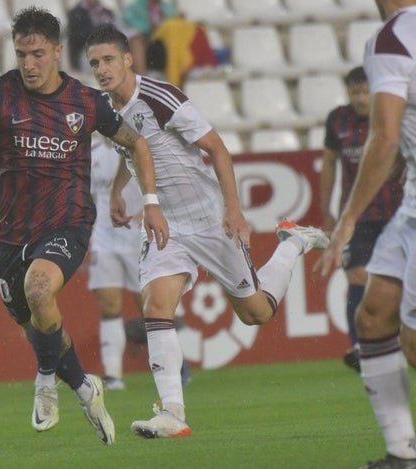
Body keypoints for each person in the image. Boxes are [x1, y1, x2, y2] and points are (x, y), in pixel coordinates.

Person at [85, 24, 329, 439]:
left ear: (128, 59)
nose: (102, 70)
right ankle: (173, 413)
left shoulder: (160, 96)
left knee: (256, 313)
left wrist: (233, 208)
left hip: (207, 216)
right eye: (94, 64)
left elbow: (216, 146)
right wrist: (117, 192)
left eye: (109, 60)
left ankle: (292, 244)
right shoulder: (106, 111)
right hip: (163, 222)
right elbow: (133, 152)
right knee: (156, 306)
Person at [0, 7, 170, 446]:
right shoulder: (0, 94)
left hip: (69, 220)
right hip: (11, 232)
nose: (29, 64)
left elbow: (138, 145)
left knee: (40, 289)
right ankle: (85, 386)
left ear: (58, 52)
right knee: (37, 321)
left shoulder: (84, 101)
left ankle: (46, 380)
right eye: (22, 54)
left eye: (38, 54)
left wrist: (150, 201)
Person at [316, 1, 416, 468]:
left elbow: (381, 138)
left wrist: (346, 219)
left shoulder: (388, 41)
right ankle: (403, 455)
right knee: (374, 318)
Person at [319, 66, 404, 373]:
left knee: (407, 280)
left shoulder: (391, 114)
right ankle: (359, 346)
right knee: (357, 275)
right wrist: (327, 209)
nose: (360, 98)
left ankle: (402, 338)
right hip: (359, 215)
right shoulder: (337, 120)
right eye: (355, 92)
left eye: (366, 91)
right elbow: (328, 164)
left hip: (399, 211)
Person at [87, 135, 143, 391]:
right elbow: (85, 198)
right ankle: (113, 374)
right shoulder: (90, 151)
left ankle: (176, 367)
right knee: (109, 304)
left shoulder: (139, 147)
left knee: (153, 308)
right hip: (103, 238)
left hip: (138, 236)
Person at [66, 0, 116, 71]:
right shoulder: (74, 14)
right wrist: (99, 25)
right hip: (86, 52)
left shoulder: (107, 12)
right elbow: (77, 38)